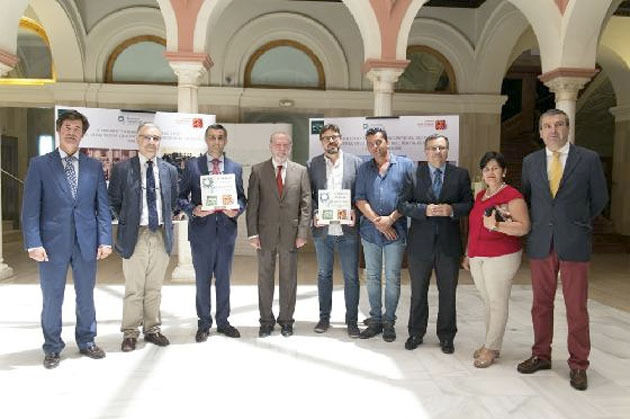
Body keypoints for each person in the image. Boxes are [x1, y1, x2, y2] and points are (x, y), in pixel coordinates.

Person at [517, 109, 608, 391]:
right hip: (541, 242)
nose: (553, 130)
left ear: (567, 128)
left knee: (576, 306)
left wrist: (576, 222)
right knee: (540, 304)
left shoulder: (588, 159)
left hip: (574, 241)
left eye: (558, 125)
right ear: (540, 132)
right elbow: (528, 198)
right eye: (547, 126)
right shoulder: (530, 161)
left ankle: (579, 364)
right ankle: (541, 355)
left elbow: (600, 198)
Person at [21, 110, 112, 369]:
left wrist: (105, 239)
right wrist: (33, 242)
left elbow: (102, 206)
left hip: (86, 242)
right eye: (67, 127)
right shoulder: (39, 165)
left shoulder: (94, 166)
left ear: (83, 134)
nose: (72, 132)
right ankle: (52, 347)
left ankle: (87, 340)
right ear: (59, 130)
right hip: (51, 244)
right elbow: (30, 209)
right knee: (52, 297)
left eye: (77, 129)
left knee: (86, 295)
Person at [398, 133, 472, 354]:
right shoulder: (413, 174)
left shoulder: (460, 175)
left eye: (441, 148)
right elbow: (402, 205)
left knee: (448, 293)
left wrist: (452, 210)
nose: (437, 152)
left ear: (447, 151)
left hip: (449, 245)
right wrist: (424, 210)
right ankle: (416, 333)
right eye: (433, 148)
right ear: (426, 152)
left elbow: (469, 204)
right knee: (418, 292)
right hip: (420, 245)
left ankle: (447, 336)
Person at [108, 122, 179, 352]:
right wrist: (126, 220)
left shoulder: (169, 171)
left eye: (156, 138)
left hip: (160, 234)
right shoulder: (122, 169)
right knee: (134, 288)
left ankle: (152, 329)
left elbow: (173, 201)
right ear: (137, 140)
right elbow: (113, 201)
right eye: (147, 137)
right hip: (134, 235)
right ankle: (130, 333)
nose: (151, 142)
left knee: (154, 288)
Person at [178, 124, 246, 342]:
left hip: (226, 233)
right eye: (212, 137)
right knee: (203, 280)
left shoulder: (235, 167)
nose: (216, 142)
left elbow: (242, 198)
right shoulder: (192, 166)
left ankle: (223, 322)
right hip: (201, 233)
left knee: (224, 280)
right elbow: (181, 197)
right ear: (206, 140)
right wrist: (193, 210)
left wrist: (237, 210)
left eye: (220, 137)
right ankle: (204, 323)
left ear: (225, 140)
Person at [462, 151, 530, 367]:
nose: (490, 172)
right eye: (486, 169)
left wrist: (497, 225)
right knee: (487, 301)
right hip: (478, 255)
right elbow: (474, 227)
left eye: (495, 168)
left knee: (497, 302)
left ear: (504, 172)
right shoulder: (480, 196)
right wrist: (468, 253)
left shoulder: (512, 196)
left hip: (502, 256)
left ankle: (491, 348)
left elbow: (524, 227)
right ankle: (490, 343)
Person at [247, 132, 311, 338]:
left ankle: (286, 321)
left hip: (291, 235)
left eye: (286, 145)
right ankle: (266, 321)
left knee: (289, 279)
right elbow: (252, 205)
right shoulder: (258, 170)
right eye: (278, 144)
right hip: (265, 234)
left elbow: (306, 205)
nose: (282, 148)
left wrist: (302, 232)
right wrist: (252, 233)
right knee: (265, 278)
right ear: (270, 146)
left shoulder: (301, 171)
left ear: (290, 147)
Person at [355, 127, 414, 342]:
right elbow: (360, 199)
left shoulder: (405, 165)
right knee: (371, 277)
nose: (375, 146)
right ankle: (376, 319)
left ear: (387, 142)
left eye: (378, 142)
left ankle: (389, 321)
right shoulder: (364, 169)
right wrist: (378, 222)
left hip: (396, 232)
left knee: (392, 277)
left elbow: (410, 198)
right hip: (370, 232)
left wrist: (390, 219)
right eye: (370, 143)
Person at [307, 123, 363, 338]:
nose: (331, 141)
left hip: (347, 230)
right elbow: (308, 194)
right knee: (324, 275)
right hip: (323, 232)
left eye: (335, 137)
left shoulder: (356, 163)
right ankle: (324, 318)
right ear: (321, 142)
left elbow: (360, 193)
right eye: (326, 138)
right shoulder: (313, 164)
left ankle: (352, 321)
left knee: (351, 277)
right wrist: (314, 212)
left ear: (341, 139)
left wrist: (355, 210)